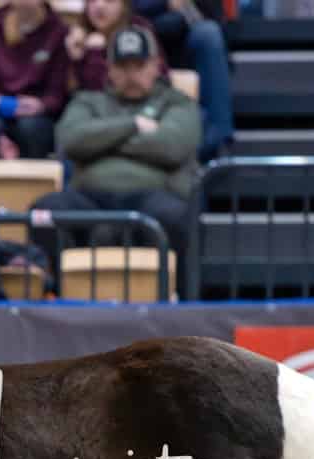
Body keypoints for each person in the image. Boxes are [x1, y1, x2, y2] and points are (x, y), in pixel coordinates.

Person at [32, 25, 198, 268]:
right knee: (43, 213)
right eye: (122, 66)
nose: (131, 74)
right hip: (89, 199)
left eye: (139, 65)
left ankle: (175, 290)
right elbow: (71, 141)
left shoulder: (177, 102)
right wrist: (133, 125)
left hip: (153, 196)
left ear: (155, 66)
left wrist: (102, 142)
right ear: (109, 68)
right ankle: (57, 288)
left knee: (176, 216)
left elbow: (172, 146)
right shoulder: (88, 101)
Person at [0, 0, 70, 159]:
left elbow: (57, 93)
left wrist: (41, 105)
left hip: (38, 115)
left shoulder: (58, 31)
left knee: (31, 128)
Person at [132, 0, 230, 160]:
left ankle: (217, 142)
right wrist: (165, 4)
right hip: (139, 24)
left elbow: (212, 12)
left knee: (209, 33)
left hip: (183, 30)